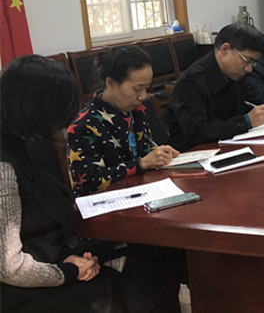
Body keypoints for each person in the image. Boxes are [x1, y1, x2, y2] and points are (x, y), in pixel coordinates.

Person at [1, 55, 154, 312]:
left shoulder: (21, 146)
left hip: (54, 257)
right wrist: (68, 271)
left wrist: (71, 260)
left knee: (149, 254)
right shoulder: (4, 167)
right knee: (131, 284)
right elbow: (9, 266)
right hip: (21, 291)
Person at [68, 46, 180, 197]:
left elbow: (144, 151)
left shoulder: (137, 111)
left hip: (144, 192)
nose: (142, 96)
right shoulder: (84, 125)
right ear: (110, 83)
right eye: (137, 89)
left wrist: (159, 154)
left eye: (146, 88)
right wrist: (140, 164)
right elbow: (88, 183)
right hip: (109, 203)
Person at [169, 22, 264, 151]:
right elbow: (197, 132)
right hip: (194, 155)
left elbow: (254, 101)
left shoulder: (236, 74)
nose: (249, 69)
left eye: (253, 63)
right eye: (247, 60)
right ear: (225, 49)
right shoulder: (191, 82)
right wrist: (245, 121)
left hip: (230, 147)